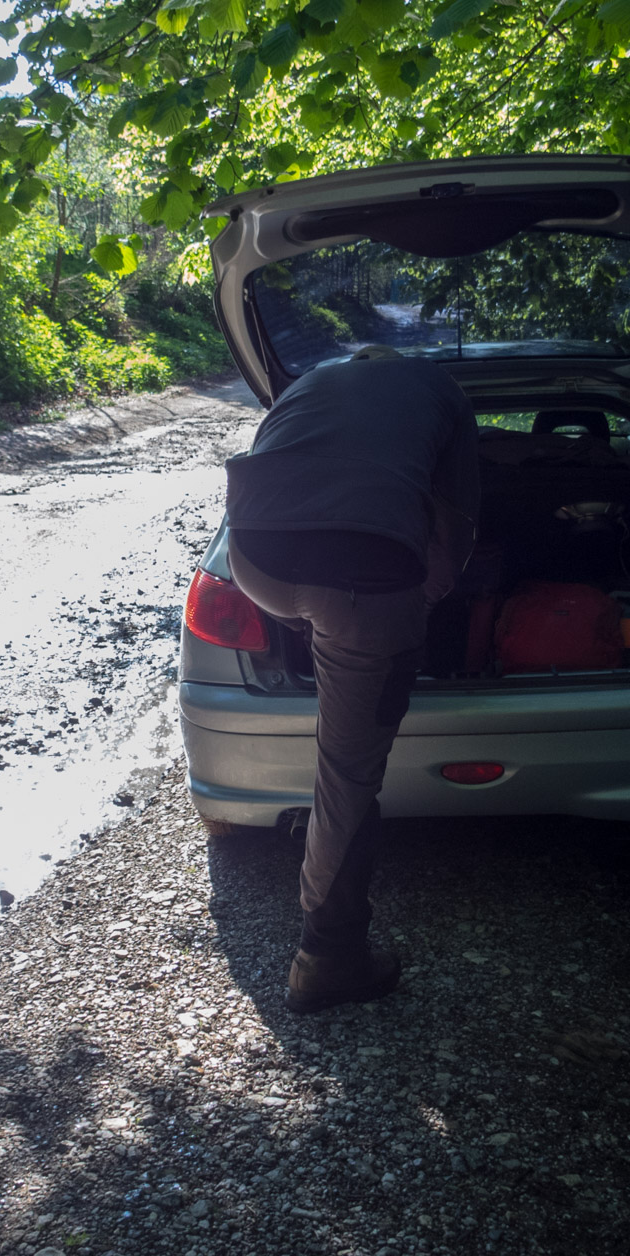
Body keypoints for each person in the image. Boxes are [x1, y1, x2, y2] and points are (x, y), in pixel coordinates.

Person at [223, 347, 478, 1014]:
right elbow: (456, 529)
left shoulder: (311, 379)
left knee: (330, 620)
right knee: (346, 774)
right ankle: (329, 956)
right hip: (359, 570)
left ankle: (334, 645)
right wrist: (418, 609)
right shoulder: (444, 394)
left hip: (253, 555)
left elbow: (282, 471)